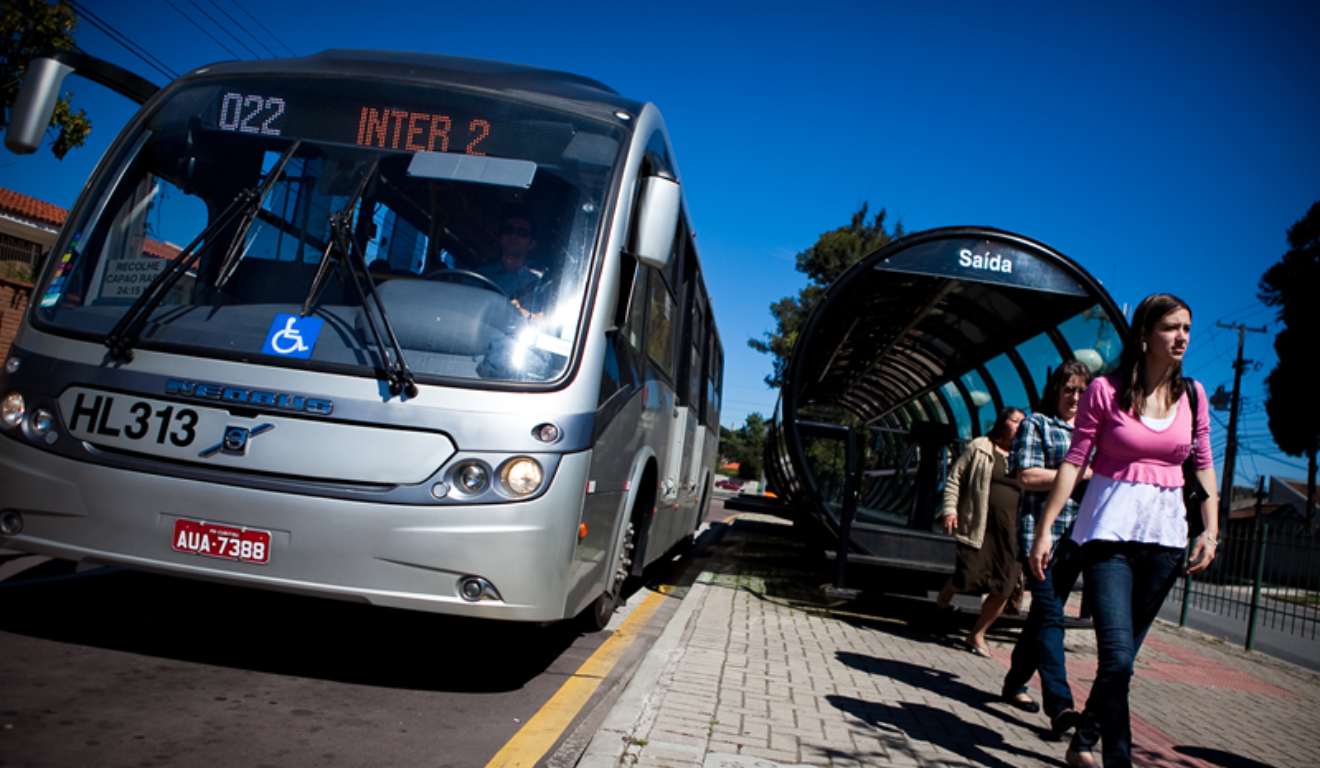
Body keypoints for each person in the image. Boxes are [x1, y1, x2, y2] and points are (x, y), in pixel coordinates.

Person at [1028, 293, 1217, 768]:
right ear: (1145, 334)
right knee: (1117, 657)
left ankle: (1084, 738)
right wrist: (1046, 528)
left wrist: (1210, 531)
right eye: (1171, 328)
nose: (1182, 338)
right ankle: (1118, 757)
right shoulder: (1105, 391)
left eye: (1187, 329)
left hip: (1166, 540)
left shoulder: (1193, 395)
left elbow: (1204, 465)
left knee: (1124, 659)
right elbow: (1075, 462)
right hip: (1108, 536)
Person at [999, 359, 1094, 735]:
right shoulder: (1037, 424)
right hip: (1038, 535)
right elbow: (1026, 475)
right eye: (1068, 389)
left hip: (1078, 538)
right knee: (1052, 616)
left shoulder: (1095, 432)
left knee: (1042, 616)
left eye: (1082, 391)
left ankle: (1014, 681)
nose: (1075, 397)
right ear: (1056, 390)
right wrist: (1083, 474)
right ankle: (1061, 705)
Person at [936, 406, 1026, 657]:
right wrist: (950, 509)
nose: (1020, 426)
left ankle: (977, 634)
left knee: (1005, 587)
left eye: (1023, 423)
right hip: (981, 526)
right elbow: (955, 477)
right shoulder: (980, 446)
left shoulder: (1025, 455)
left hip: (1012, 532)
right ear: (1003, 422)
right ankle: (944, 600)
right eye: (1015, 421)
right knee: (967, 577)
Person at [480, 207, 541, 308]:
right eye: (508, 230)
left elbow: (541, 319)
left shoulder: (538, 282)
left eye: (522, 233)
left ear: (532, 244)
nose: (513, 236)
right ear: (500, 237)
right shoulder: (481, 275)